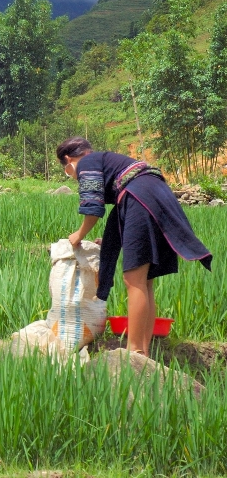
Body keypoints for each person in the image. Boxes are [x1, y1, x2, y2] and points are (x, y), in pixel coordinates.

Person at [56, 137, 212, 356]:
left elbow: (92, 207)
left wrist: (78, 235)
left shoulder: (87, 163)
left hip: (140, 196)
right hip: (153, 195)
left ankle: (134, 350)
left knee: (133, 280)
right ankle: (142, 353)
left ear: (68, 160)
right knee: (144, 281)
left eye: (68, 171)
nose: (73, 176)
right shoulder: (106, 160)